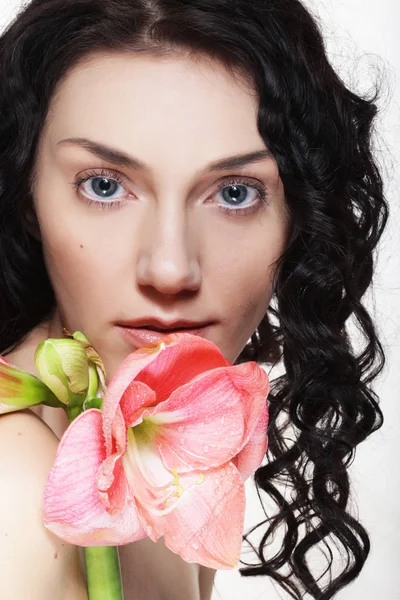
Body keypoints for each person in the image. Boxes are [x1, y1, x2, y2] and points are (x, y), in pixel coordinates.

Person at [0, 0, 389, 598]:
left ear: (301, 218)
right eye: (104, 185)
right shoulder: (15, 488)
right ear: (26, 193)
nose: (171, 269)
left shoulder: (170, 453)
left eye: (234, 193)